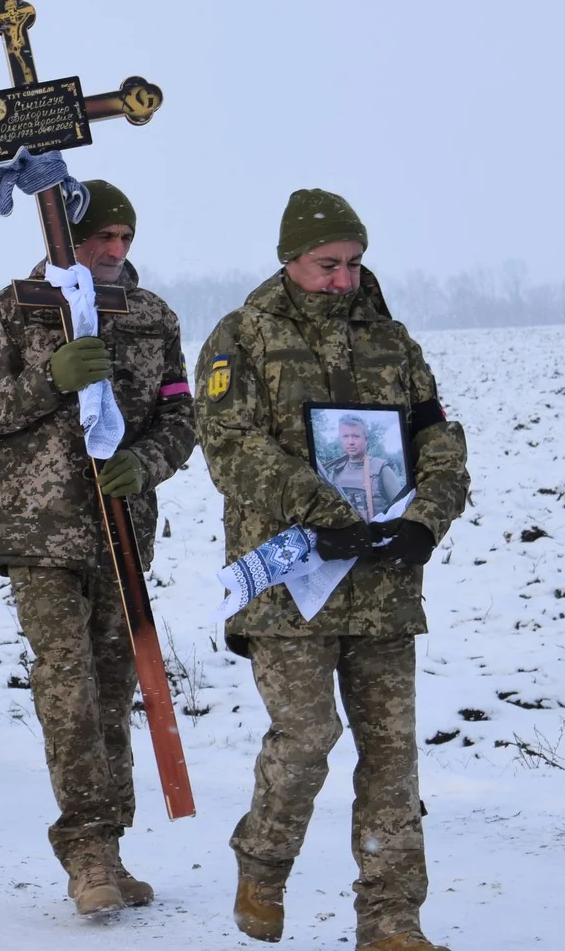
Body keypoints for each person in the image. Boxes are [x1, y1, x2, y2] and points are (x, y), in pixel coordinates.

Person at [197, 190, 468, 951]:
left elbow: (437, 438)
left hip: (383, 585)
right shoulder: (242, 336)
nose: (344, 279)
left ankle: (391, 921)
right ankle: (263, 863)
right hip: (291, 586)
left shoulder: (393, 341)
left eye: (353, 263)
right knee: (307, 736)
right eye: (327, 265)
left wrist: (425, 519)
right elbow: (230, 446)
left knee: (392, 757)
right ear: (290, 259)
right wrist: (321, 507)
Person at [0, 180, 196, 915]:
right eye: (102, 238)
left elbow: (181, 417)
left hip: (121, 532)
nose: (116, 250)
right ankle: (85, 849)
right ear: (67, 239)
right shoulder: (14, 308)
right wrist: (48, 381)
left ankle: (110, 848)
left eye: (126, 238)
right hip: (39, 531)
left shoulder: (152, 317)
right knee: (66, 684)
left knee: (113, 690)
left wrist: (144, 464)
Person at [321, 415, 404, 519]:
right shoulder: (336, 470)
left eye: (356, 436)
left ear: (366, 439)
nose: (350, 442)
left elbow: (401, 510)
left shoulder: (382, 469)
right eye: (345, 436)